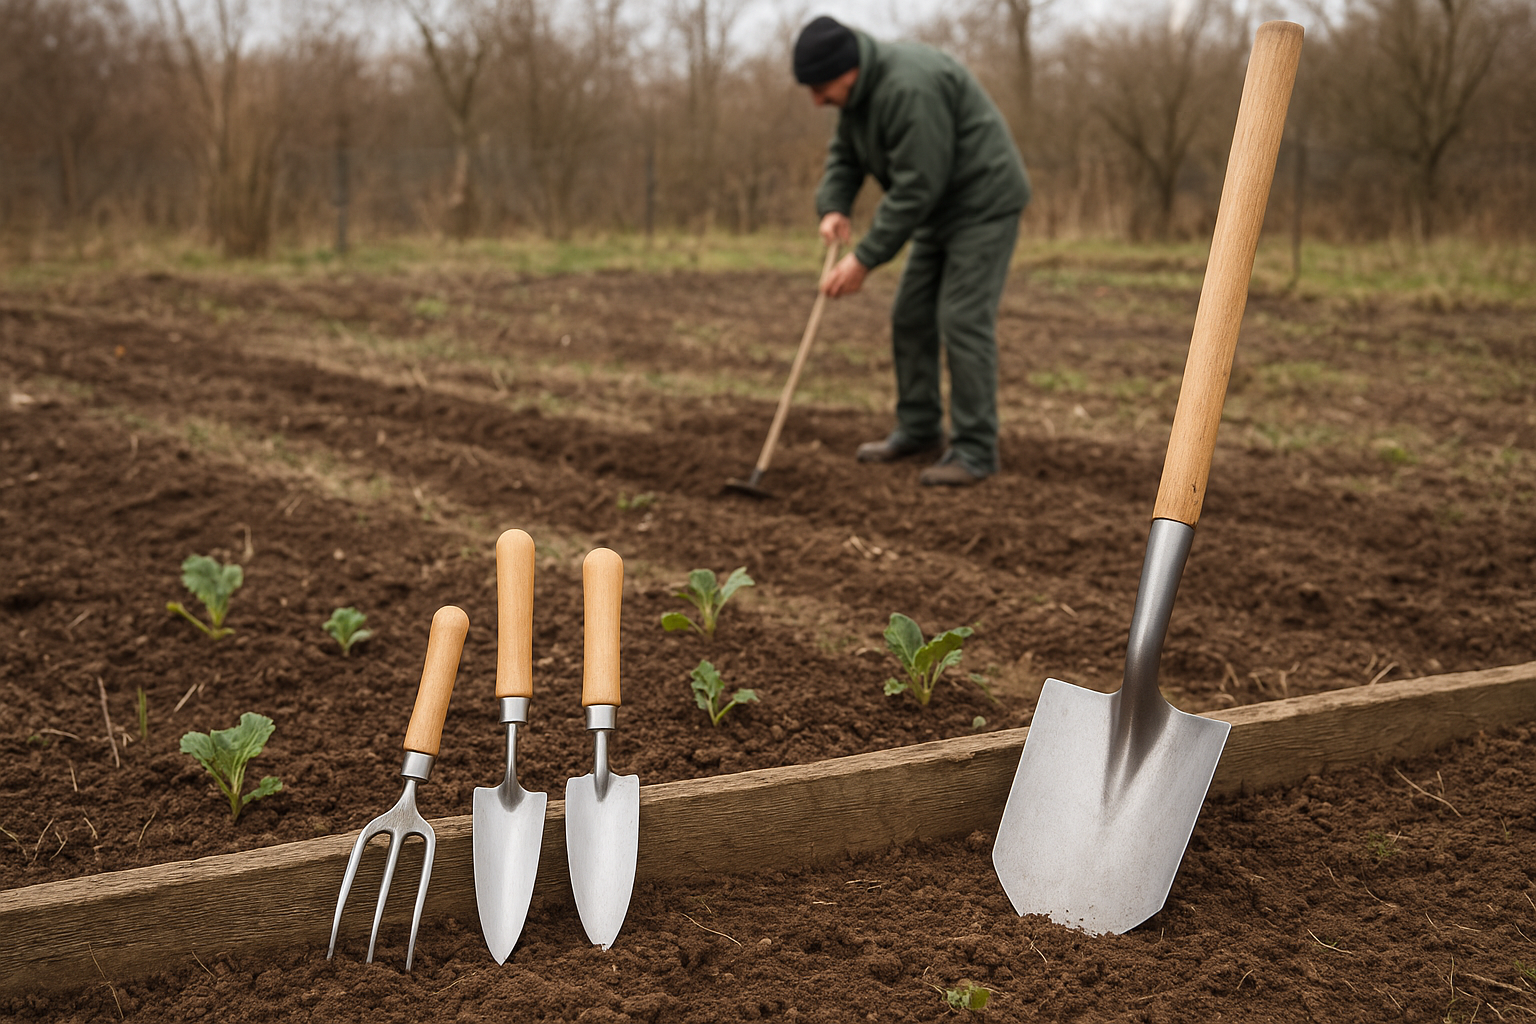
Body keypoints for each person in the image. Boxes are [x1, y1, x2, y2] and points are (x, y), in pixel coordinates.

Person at [794, 15, 1031, 487]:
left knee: (962, 317)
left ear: (847, 70)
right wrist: (834, 206)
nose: (818, 100)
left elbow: (917, 186)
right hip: (939, 212)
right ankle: (921, 428)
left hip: (981, 203)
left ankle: (975, 449)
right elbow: (845, 156)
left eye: (820, 88)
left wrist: (863, 259)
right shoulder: (858, 100)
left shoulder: (908, 88)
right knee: (911, 314)